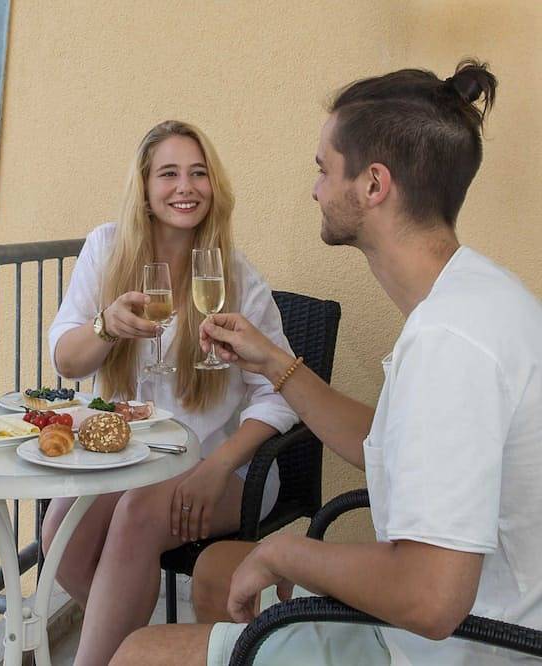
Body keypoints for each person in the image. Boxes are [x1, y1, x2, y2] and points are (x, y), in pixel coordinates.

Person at [111, 60, 542, 665]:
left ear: (372, 185)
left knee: (138, 654)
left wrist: (285, 553)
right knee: (215, 568)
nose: (314, 189)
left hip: (462, 646)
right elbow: (385, 439)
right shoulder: (478, 294)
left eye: (323, 169)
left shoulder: (451, 341)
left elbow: (430, 597)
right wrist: (273, 364)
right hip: (467, 619)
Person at [43, 120, 299, 666]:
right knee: (60, 534)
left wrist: (215, 468)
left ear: (215, 186)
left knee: (136, 515)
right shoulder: (107, 248)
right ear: (144, 188)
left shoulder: (237, 278)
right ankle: (145, 644)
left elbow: (278, 395)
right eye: (169, 174)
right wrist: (106, 326)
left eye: (198, 173)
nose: (186, 187)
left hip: (225, 465)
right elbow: (66, 359)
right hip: (138, 458)